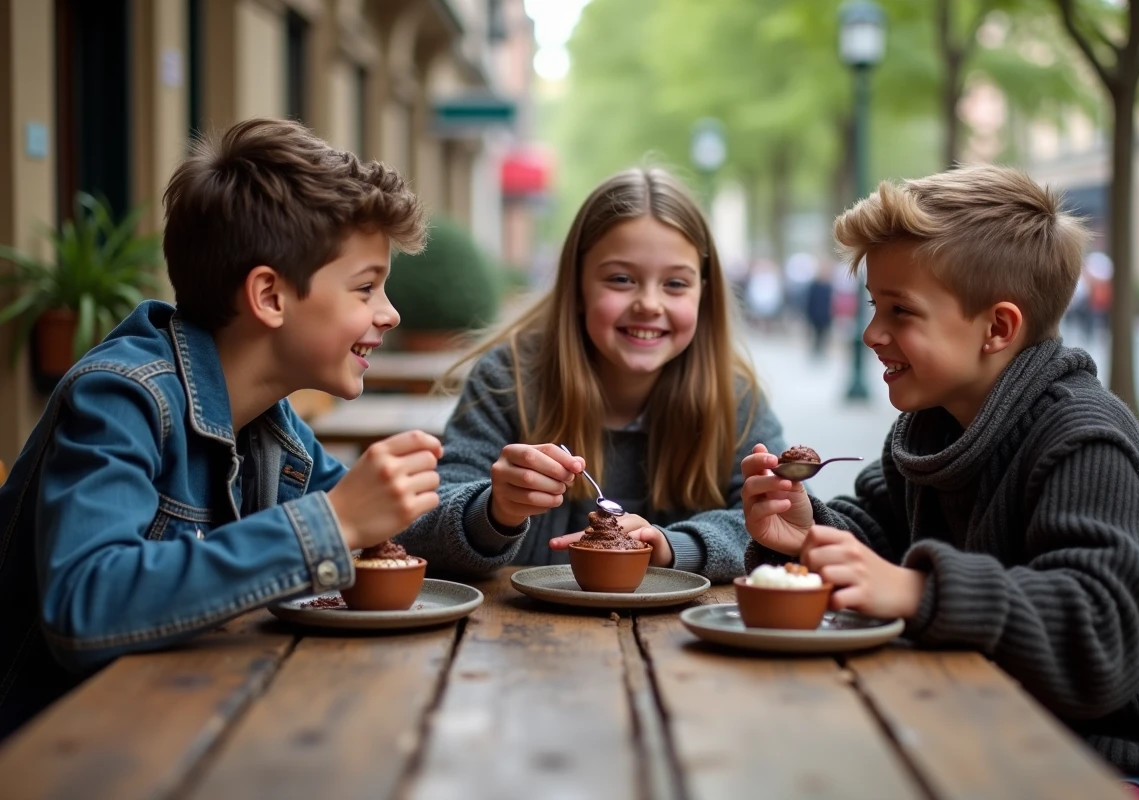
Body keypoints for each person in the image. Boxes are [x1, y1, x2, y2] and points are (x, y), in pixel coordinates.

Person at [740, 165, 1139, 797]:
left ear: (998, 329)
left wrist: (918, 590)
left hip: (1120, 761)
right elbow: (877, 537)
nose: (872, 333)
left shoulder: (1083, 438)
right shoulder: (936, 426)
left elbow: (1098, 636)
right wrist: (805, 530)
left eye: (901, 312)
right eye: (876, 306)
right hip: (979, 727)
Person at [0, 118, 444, 740]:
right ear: (269, 296)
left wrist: (495, 511)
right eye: (366, 287)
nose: (390, 313)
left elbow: (383, 521)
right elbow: (86, 604)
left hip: (174, 730)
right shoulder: (121, 397)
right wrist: (333, 524)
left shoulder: (267, 419)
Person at [402, 168, 785, 581]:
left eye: (675, 284)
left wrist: (675, 546)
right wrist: (494, 510)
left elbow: (784, 524)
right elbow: (422, 522)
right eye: (621, 279)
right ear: (578, 285)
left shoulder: (732, 396)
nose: (649, 304)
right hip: (522, 637)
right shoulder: (508, 380)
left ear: (703, 294)